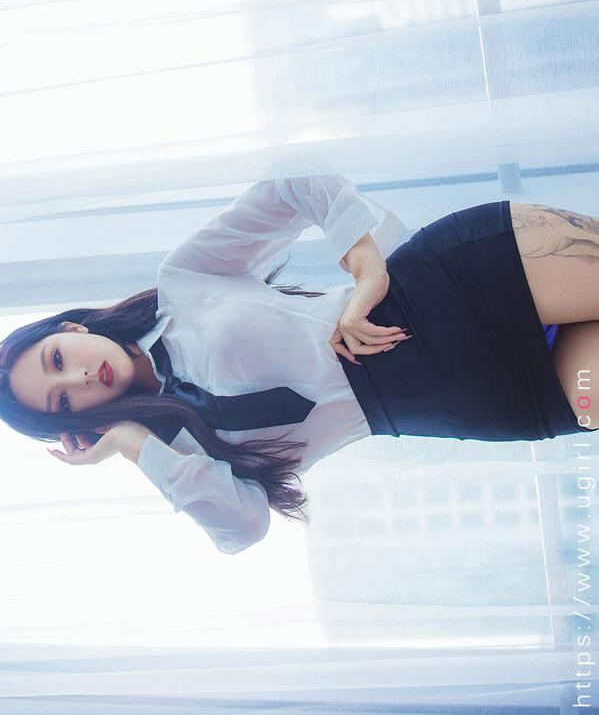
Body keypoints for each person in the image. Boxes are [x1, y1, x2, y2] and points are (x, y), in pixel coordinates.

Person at [0, 156, 597, 555]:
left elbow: (294, 180)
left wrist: (365, 270)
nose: (80, 376)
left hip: (458, 283)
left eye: (57, 359)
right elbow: (242, 529)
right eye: (63, 400)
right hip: (488, 397)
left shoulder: (183, 282)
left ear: (69, 327)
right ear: (78, 422)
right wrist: (132, 443)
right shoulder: (181, 454)